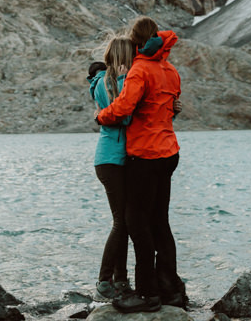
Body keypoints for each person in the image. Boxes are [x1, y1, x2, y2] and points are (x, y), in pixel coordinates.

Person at [94, 17, 185, 313]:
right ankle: (170, 287)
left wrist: (101, 117)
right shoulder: (170, 70)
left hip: (145, 155)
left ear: (136, 43)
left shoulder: (140, 70)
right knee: (160, 221)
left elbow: (123, 108)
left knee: (136, 223)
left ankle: (146, 293)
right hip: (169, 152)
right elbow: (172, 106)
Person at [87, 35, 136, 300]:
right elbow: (123, 115)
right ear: (122, 57)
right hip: (110, 160)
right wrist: (124, 80)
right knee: (121, 222)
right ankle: (104, 281)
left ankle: (120, 280)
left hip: (117, 159)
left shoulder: (114, 81)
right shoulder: (106, 83)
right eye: (131, 55)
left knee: (125, 221)